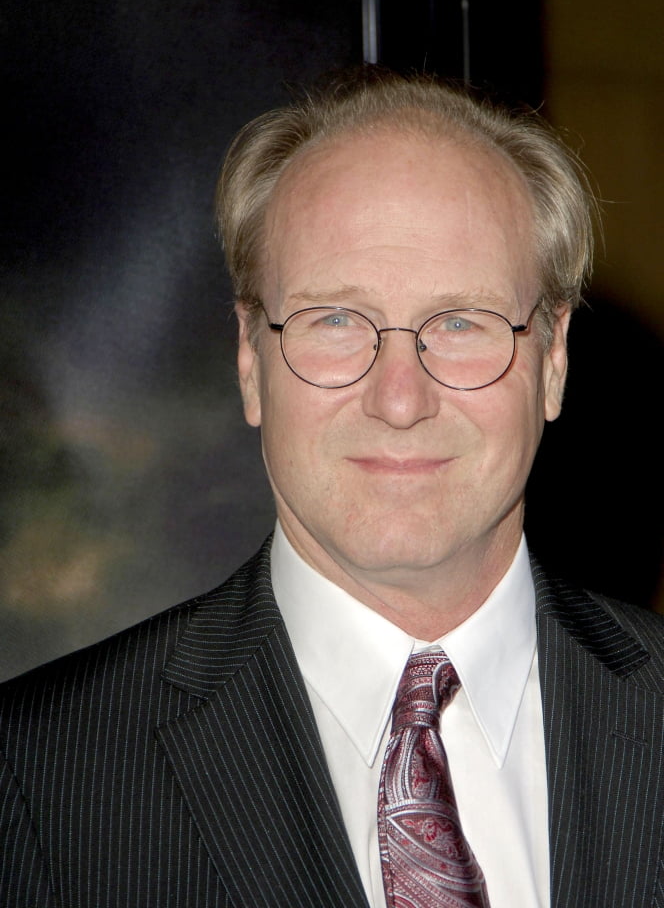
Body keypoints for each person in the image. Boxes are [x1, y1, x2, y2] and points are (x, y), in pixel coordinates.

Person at [1, 69, 662, 908]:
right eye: (335, 321)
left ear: (554, 359)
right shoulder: (33, 784)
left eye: (461, 322)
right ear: (250, 359)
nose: (398, 399)